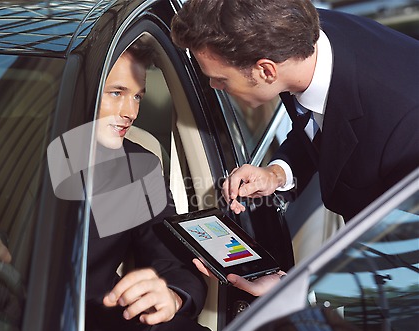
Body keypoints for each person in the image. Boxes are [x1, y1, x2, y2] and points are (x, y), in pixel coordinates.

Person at [0, 39, 214, 331]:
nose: (131, 111)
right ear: (78, 90)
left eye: (137, 97)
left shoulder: (135, 171)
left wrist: (172, 294)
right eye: (117, 93)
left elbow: (174, 259)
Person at [171, 0, 419, 296]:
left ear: (266, 71)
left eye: (221, 78)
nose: (212, 85)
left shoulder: (405, 125)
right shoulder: (291, 41)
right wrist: (276, 174)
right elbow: (324, 122)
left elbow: (408, 262)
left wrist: (298, 289)